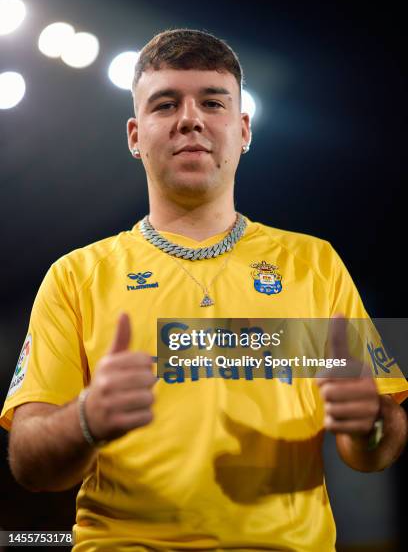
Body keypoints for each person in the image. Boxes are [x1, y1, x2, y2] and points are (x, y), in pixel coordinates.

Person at [1, 29, 407, 552]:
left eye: (212, 102)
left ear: (242, 130)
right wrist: (85, 419)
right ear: (134, 135)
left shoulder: (314, 264)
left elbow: (374, 449)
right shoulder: (76, 275)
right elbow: (30, 463)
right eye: (165, 103)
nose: (189, 118)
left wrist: (371, 422)